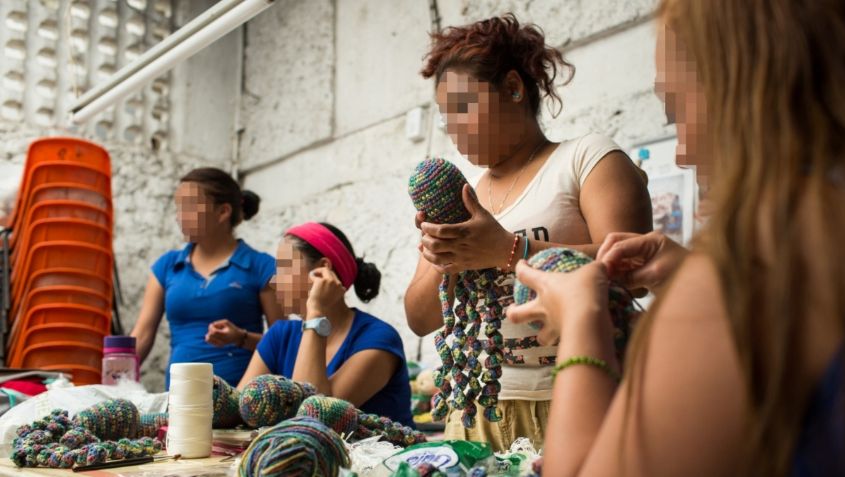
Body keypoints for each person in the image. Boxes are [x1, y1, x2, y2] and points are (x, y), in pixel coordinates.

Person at [506, 0, 845, 475]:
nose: (684, 154)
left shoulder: (751, 274)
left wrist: (582, 324)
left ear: (739, 94)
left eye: (676, 111)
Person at [404, 14, 653, 450]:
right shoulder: (468, 198)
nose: (455, 128)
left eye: (464, 107)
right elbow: (421, 318)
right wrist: (442, 253)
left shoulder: (587, 159)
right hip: (478, 411)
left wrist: (509, 249)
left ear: (515, 89)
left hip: (575, 397)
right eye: (447, 118)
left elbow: (636, 266)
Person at [239, 222, 414, 427]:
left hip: (383, 457)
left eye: (285, 268)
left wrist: (315, 311)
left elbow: (312, 420)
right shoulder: (280, 335)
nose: (274, 281)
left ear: (322, 270)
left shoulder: (378, 338)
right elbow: (242, 406)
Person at [130, 167, 283, 388]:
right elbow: (142, 335)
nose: (179, 215)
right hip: (179, 399)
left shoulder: (261, 266)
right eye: (178, 207)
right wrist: (114, 381)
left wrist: (241, 338)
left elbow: (282, 344)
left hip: (242, 403)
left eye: (189, 207)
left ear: (223, 212)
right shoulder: (167, 266)